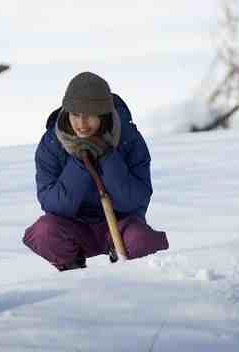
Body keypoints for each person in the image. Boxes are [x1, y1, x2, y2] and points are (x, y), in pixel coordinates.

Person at [23, 72, 169, 271]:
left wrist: (107, 156)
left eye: (90, 115)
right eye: (75, 115)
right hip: (74, 226)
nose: (81, 124)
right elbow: (53, 204)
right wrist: (80, 162)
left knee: (140, 240)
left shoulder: (129, 139)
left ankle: (125, 271)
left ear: (103, 113)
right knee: (44, 232)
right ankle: (74, 272)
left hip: (120, 224)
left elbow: (135, 200)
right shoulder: (52, 143)